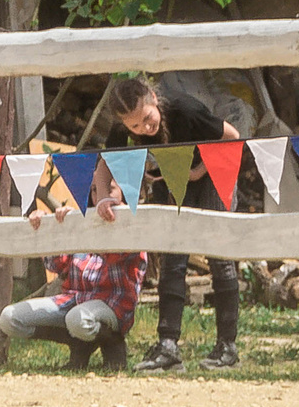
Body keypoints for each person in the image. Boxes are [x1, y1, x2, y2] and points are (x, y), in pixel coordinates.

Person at [101, 75, 246, 372]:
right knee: (172, 259)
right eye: (135, 126)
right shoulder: (123, 129)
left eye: (147, 118)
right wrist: (105, 197)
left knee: (220, 258)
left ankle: (227, 347)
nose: (145, 129)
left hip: (212, 175)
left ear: (154, 99)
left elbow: (232, 137)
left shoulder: (184, 109)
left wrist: (198, 171)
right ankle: (168, 346)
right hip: (171, 180)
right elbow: (104, 163)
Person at [0, 249, 150, 370]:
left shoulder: (128, 221)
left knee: (78, 319)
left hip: (113, 302)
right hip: (73, 298)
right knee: (9, 318)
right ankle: (80, 342)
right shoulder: (80, 220)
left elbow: (114, 256)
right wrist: (52, 228)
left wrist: (93, 230)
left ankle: (112, 341)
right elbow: (56, 265)